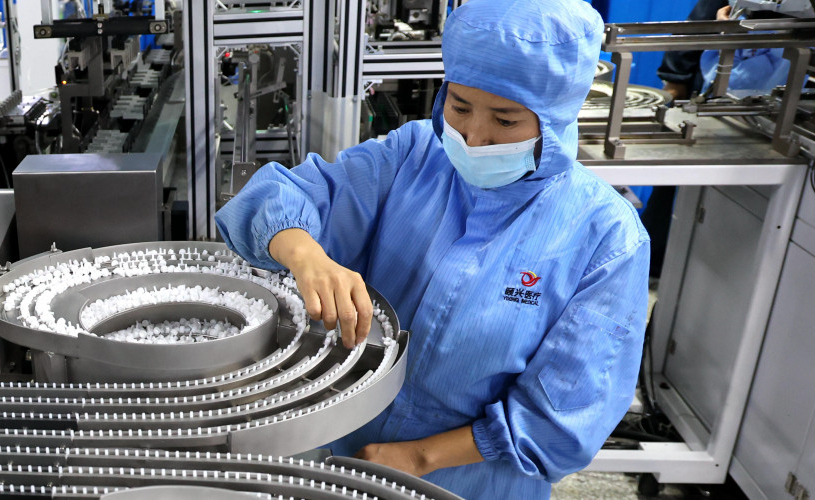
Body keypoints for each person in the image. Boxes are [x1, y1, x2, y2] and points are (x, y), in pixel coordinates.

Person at [214, 0, 650, 498]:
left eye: (506, 121)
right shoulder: (415, 154)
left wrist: (420, 456)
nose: (473, 135)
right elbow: (276, 197)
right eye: (460, 106)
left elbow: (565, 416)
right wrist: (306, 256)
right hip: (337, 446)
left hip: (470, 478)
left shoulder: (605, 237)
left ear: (555, 119)